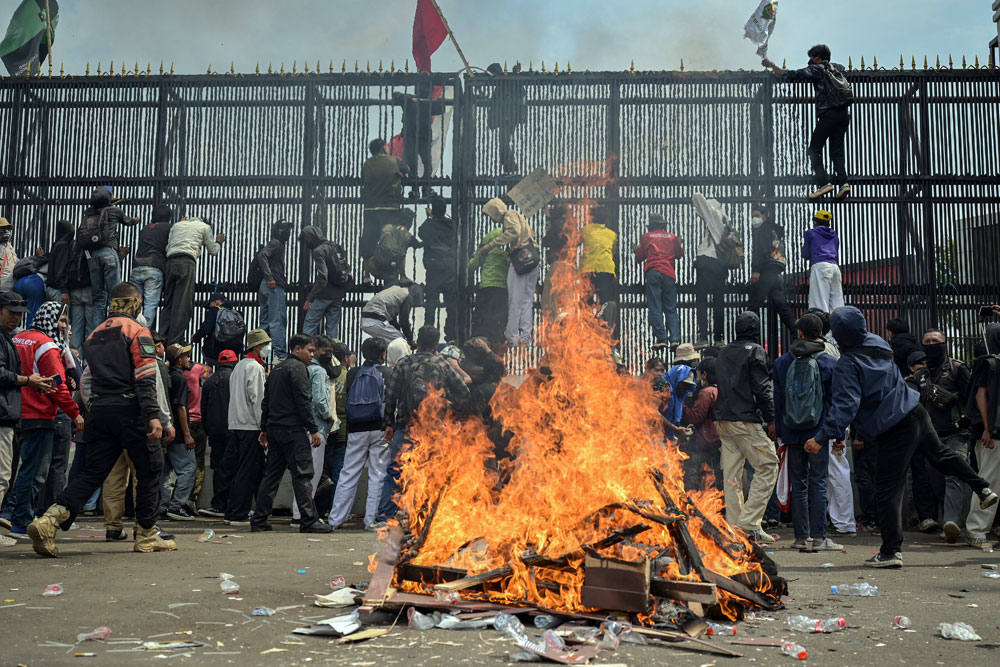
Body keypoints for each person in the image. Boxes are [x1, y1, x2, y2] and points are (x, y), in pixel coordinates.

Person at [806, 306, 997, 568]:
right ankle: (982, 486)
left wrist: (821, 437)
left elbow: (845, 406)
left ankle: (890, 552)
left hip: (893, 427)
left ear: (838, 335)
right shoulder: (878, 341)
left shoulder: (847, 365)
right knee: (941, 455)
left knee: (887, 490)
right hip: (916, 410)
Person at [29, 281, 175, 557]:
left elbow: (87, 379)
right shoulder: (138, 331)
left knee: (92, 473)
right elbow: (145, 379)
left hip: (100, 411)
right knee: (151, 468)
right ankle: (146, 533)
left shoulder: (94, 334)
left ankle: (48, 521)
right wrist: (153, 417)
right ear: (136, 303)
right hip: (131, 411)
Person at [1, 303, 82, 538]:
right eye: (62, 320)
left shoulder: (17, 338)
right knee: (34, 472)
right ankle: (19, 521)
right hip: (38, 414)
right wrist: (74, 412)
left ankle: (10, 514)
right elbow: (57, 386)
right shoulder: (46, 346)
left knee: (13, 470)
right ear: (51, 319)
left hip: (13, 414)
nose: (66, 326)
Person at [378, 326, 470, 523]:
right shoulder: (443, 364)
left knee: (396, 470)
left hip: (406, 425)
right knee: (433, 470)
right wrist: (448, 406)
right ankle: (426, 516)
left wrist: (389, 424)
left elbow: (391, 395)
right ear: (436, 344)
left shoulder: (404, 363)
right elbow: (464, 392)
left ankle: (385, 516)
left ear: (417, 342)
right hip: (435, 428)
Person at [772, 313, 842, 551]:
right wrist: (838, 434)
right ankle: (820, 537)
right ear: (821, 333)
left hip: (792, 432)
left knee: (799, 483)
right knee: (819, 481)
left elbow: (778, 401)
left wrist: (780, 432)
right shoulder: (828, 362)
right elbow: (835, 401)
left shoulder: (782, 363)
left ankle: (801, 537)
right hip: (818, 433)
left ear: (799, 333)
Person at [251, 333, 333, 534]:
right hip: (293, 431)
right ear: (298, 349)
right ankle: (308, 520)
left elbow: (266, 401)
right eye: (310, 350)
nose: (312, 355)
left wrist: (264, 428)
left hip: (275, 430)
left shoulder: (277, 368)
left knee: (271, 476)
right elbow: (303, 401)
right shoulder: (298, 369)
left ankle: (259, 519)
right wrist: (313, 429)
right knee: (303, 475)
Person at [714, 311, 779, 543]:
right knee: (769, 464)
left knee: (731, 475)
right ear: (756, 330)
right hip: (744, 420)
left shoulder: (723, 353)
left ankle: (735, 527)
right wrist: (771, 419)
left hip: (722, 420)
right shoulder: (756, 351)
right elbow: (762, 389)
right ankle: (749, 523)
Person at [763, 45, 852, 200]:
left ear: (817, 57)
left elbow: (791, 74)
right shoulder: (838, 68)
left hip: (828, 114)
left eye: (812, 56)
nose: (810, 59)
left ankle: (824, 184)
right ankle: (844, 184)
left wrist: (771, 65)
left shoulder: (817, 70)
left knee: (814, 150)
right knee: (836, 152)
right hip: (843, 114)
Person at [223, 329, 270, 525]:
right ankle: (238, 513)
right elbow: (258, 400)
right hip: (251, 425)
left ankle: (244, 510)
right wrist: (264, 428)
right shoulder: (255, 368)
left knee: (243, 469)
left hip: (236, 424)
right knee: (247, 471)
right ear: (258, 346)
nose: (268, 348)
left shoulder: (239, 366)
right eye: (266, 344)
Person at [291, 336, 339, 527]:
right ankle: (304, 515)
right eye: (325, 350)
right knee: (313, 474)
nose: (329, 354)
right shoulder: (318, 371)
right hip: (317, 429)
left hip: (302, 427)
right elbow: (320, 400)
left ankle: (298, 513)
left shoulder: (303, 369)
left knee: (302, 473)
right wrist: (329, 417)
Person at [479, 198, 539, 346]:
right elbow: (528, 235)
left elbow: (514, 232)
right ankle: (525, 337)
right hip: (532, 258)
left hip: (520, 260)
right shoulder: (519, 217)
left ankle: (512, 336)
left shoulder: (509, 215)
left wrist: (491, 245)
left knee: (514, 299)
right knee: (527, 299)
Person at [161, 215, 225, 344]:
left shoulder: (177, 225)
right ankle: (176, 340)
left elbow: (168, 247)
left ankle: (161, 337)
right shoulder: (205, 227)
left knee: (169, 302)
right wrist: (218, 242)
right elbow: (213, 251)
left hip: (170, 262)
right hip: (186, 262)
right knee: (183, 304)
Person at [964, 323, 1000, 549]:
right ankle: (976, 530)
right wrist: (987, 428)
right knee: (989, 480)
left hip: (993, 431)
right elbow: (980, 396)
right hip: (992, 434)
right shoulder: (988, 363)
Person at [81, 186, 140, 324]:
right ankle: (114, 327)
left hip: (92, 257)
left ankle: (98, 331)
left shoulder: (89, 213)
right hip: (109, 253)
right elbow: (128, 221)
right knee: (116, 296)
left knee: (98, 298)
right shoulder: (114, 210)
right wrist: (136, 220)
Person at [196, 349, 238, 518]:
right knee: (234, 468)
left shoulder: (209, 381)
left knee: (218, 467)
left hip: (214, 432)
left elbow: (203, 410)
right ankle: (231, 504)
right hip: (233, 429)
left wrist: (208, 428)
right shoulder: (235, 378)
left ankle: (218, 505)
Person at [635, 213, 684, 353]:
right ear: (663, 225)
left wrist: (635, 251)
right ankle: (675, 339)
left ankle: (661, 339)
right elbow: (680, 255)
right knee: (670, 308)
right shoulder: (672, 237)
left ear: (651, 226)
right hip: (668, 274)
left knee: (655, 306)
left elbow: (640, 257)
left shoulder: (646, 237)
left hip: (653, 272)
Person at [360, 138, 407, 283]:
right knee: (395, 241)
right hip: (390, 208)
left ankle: (366, 276)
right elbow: (407, 169)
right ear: (384, 148)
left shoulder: (367, 164)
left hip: (371, 208)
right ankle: (402, 276)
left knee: (368, 240)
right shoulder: (395, 161)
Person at [159, 343, 197, 521]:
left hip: (168, 429)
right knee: (188, 469)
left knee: (166, 471)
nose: (188, 359)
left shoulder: (168, 376)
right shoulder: (180, 379)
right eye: (186, 356)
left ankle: (163, 506)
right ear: (179, 360)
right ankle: (176, 506)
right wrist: (187, 433)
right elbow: (180, 407)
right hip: (179, 433)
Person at [392, 82, 446, 199]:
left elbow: (441, 108)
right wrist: (411, 99)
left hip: (422, 137)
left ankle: (424, 188)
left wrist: (441, 100)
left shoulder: (428, 103)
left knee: (426, 164)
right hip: (412, 136)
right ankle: (415, 189)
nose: (424, 90)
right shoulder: (411, 100)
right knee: (412, 163)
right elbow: (396, 95)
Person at [298, 226, 352, 339]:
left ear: (311, 237)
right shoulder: (336, 246)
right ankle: (331, 354)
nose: (306, 242)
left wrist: (309, 298)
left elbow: (323, 277)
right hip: (338, 294)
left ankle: (306, 352)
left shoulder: (318, 251)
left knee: (310, 324)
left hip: (324, 294)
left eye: (306, 239)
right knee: (332, 328)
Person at [748, 205, 795, 333]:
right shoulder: (776, 230)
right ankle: (796, 332)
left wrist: (756, 270)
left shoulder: (764, 229)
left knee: (753, 305)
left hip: (766, 270)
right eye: (752, 217)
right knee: (782, 307)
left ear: (765, 215)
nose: (754, 219)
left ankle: (751, 337)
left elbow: (762, 251)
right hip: (776, 273)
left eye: (756, 216)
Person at [690, 193, 729, 348]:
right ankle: (719, 339)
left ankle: (703, 338)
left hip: (706, 263)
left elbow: (697, 197)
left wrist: (707, 205)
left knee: (701, 302)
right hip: (720, 266)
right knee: (718, 302)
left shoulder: (715, 215)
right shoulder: (727, 223)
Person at [419, 196, 459, 341]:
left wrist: (430, 218)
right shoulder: (451, 224)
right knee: (451, 305)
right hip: (449, 268)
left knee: (430, 305)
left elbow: (421, 233)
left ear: (433, 210)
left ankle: (428, 337)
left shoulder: (428, 225)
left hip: (433, 268)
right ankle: (452, 337)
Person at [253, 220, 293, 360]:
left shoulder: (278, 243)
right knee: (278, 320)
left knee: (265, 321)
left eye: (288, 228)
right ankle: (280, 355)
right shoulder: (276, 243)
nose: (287, 231)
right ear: (276, 230)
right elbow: (262, 256)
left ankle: (258, 353)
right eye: (283, 229)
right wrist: (270, 277)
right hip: (272, 285)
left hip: (265, 286)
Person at [682, 357, 723, 492]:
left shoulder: (707, 392)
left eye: (698, 373)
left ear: (704, 374)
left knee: (706, 477)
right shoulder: (720, 390)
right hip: (717, 440)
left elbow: (696, 417)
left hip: (707, 441)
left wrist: (682, 406)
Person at [129, 203, 173, 326]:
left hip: (136, 267)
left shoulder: (145, 228)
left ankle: (130, 331)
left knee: (135, 303)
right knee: (150, 304)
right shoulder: (169, 228)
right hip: (153, 268)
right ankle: (143, 334)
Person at [468, 223, 510, 345]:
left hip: (486, 290)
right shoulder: (508, 253)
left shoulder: (485, 252)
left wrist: (475, 255)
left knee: (481, 323)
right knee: (498, 324)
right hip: (502, 291)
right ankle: (497, 351)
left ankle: (478, 347)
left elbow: (471, 267)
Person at [486, 62, 527, 174]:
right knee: (504, 142)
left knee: (504, 142)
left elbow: (512, 98)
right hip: (507, 118)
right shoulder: (502, 83)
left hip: (508, 118)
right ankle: (508, 165)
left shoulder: (505, 82)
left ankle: (510, 166)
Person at [802, 210, 843, 314]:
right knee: (837, 304)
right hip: (835, 268)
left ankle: (822, 329)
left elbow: (805, 254)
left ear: (815, 222)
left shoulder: (811, 233)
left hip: (820, 266)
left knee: (819, 304)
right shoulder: (834, 235)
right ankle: (838, 328)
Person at [580, 206, 619, 308]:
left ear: (592, 217)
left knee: (585, 302)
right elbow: (612, 253)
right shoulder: (612, 234)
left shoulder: (585, 230)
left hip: (588, 270)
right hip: (606, 270)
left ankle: (585, 323)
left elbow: (573, 243)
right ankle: (606, 323)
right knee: (606, 302)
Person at [371, 209, 420, 286]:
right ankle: (402, 277)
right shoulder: (408, 236)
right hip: (391, 269)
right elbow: (418, 245)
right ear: (410, 223)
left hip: (374, 266)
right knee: (403, 252)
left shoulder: (386, 227)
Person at [185, 359, 210, 507]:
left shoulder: (172, 373)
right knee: (198, 463)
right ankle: (192, 498)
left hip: (178, 423)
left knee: (179, 463)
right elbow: (209, 370)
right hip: (196, 422)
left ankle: (174, 498)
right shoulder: (196, 370)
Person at [191, 292, 237, 366]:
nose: (210, 308)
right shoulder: (237, 313)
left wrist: (195, 338)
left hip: (215, 354)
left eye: (210, 305)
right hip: (233, 355)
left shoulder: (214, 311)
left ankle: (211, 372)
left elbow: (206, 328)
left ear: (216, 302)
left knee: (206, 354)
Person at [67, 236, 94, 353]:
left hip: (74, 290)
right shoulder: (95, 245)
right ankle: (88, 363)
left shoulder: (73, 246)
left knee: (76, 328)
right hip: (90, 290)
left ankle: (75, 360)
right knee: (91, 328)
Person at [45, 220, 74, 308]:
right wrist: (64, 290)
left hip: (50, 289)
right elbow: (59, 270)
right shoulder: (63, 245)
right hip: (58, 290)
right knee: (61, 318)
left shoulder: (56, 244)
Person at [0, 217, 17, 292]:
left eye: (7, 228)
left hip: (10, 288)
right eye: (3, 228)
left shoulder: (9, 246)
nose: (6, 231)